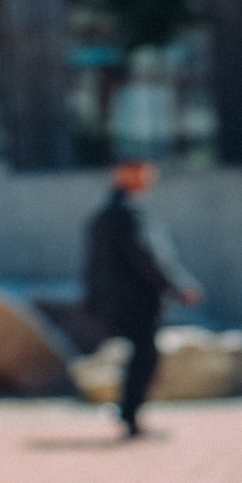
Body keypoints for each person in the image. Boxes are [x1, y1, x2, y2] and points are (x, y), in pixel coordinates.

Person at [84, 158, 203, 438]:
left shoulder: (111, 212)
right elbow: (147, 258)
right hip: (134, 301)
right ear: (123, 173)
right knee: (144, 356)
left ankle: (129, 415)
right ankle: (130, 417)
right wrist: (179, 286)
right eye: (143, 171)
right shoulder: (124, 214)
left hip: (120, 300)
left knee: (141, 356)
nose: (151, 176)